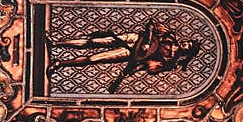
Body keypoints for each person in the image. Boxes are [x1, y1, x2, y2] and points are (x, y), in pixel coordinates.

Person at [47, 20, 201, 93]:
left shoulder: (170, 62)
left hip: (129, 54)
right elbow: (152, 24)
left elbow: (146, 66)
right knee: (94, 41)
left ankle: (60, 63)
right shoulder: (170, 35)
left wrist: (127, 72)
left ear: (188, 52)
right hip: (133, 38)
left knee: (94, 59)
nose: (186, 44)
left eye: (189, 46)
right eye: (188, 42)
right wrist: (147, 41)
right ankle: (56, 44)